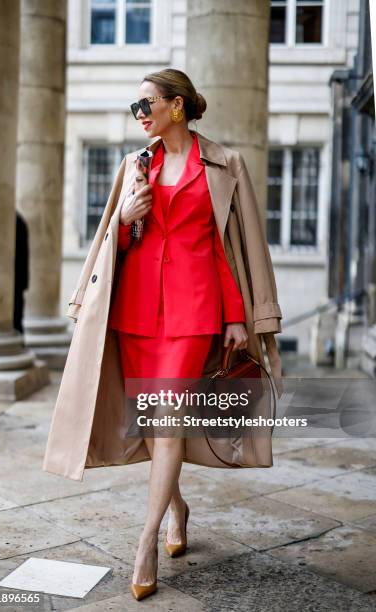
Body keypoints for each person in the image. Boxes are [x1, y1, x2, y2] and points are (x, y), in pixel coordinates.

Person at [107, 68, 248, 601]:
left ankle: (144, 543)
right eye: (135, 107)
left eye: (148, 104)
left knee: (167, 427)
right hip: (137, 311)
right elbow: (115, 242)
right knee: (154, 427)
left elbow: (225, 247)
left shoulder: (220, 164)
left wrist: (236, 314)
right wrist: (125, 216)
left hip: (192, 313)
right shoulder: (135, 164)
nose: (140, 114)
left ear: (177, 106)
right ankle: (177, 507)